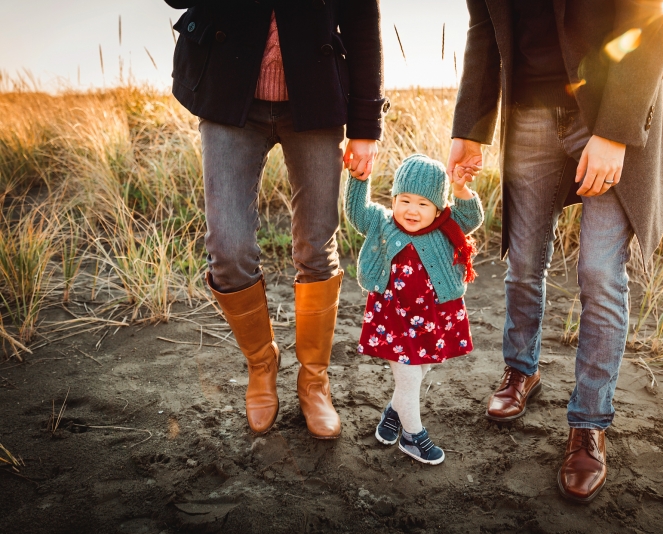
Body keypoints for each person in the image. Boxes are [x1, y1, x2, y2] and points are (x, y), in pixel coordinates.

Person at [447, 0, 663, 502]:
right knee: (524, 261)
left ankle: (589, 424)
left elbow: (649, 21)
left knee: (598, 271)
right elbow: (484, 30)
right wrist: (469, 128)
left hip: (609, 113)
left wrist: (614, 132)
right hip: (528, 112)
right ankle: (521, 370)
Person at [165, 0, 388, 438]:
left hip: (317, 97)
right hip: (230, 95)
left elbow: (363, 22)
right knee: (227, 251)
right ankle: (262, 364)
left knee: (316, 248)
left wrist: (365, 126)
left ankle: (314, 381)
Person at [343, 154, 484, 464]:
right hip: (393, 315)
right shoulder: (382, 222)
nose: (411, 210)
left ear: (438, 208)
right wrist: (359, 178)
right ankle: (412, 436)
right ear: (394, 199)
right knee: (408, 377)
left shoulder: (446, 226)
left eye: (423, 204)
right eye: (404, 200)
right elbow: (356, 213)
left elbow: (471, 218)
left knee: (420, 369)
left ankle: (393, 413)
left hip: (432, 316)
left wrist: (460, 188)